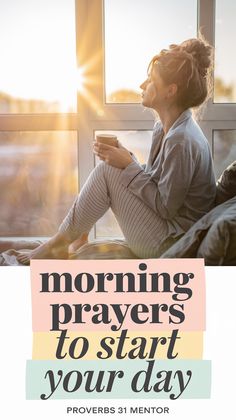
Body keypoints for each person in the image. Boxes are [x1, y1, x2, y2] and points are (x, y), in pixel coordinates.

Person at [17, 36, 216, 264]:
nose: (142, 85)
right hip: (169, 232)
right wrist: (127, 159)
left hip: (173, 243)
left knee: (107, 172)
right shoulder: (165, 128)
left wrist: (128, 166)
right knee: (111, 169)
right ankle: (71, 237)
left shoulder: (181, 140)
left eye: (151, 81)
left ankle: (58, 243)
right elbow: (158, 184)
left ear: (170, 91)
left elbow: (165, 207)